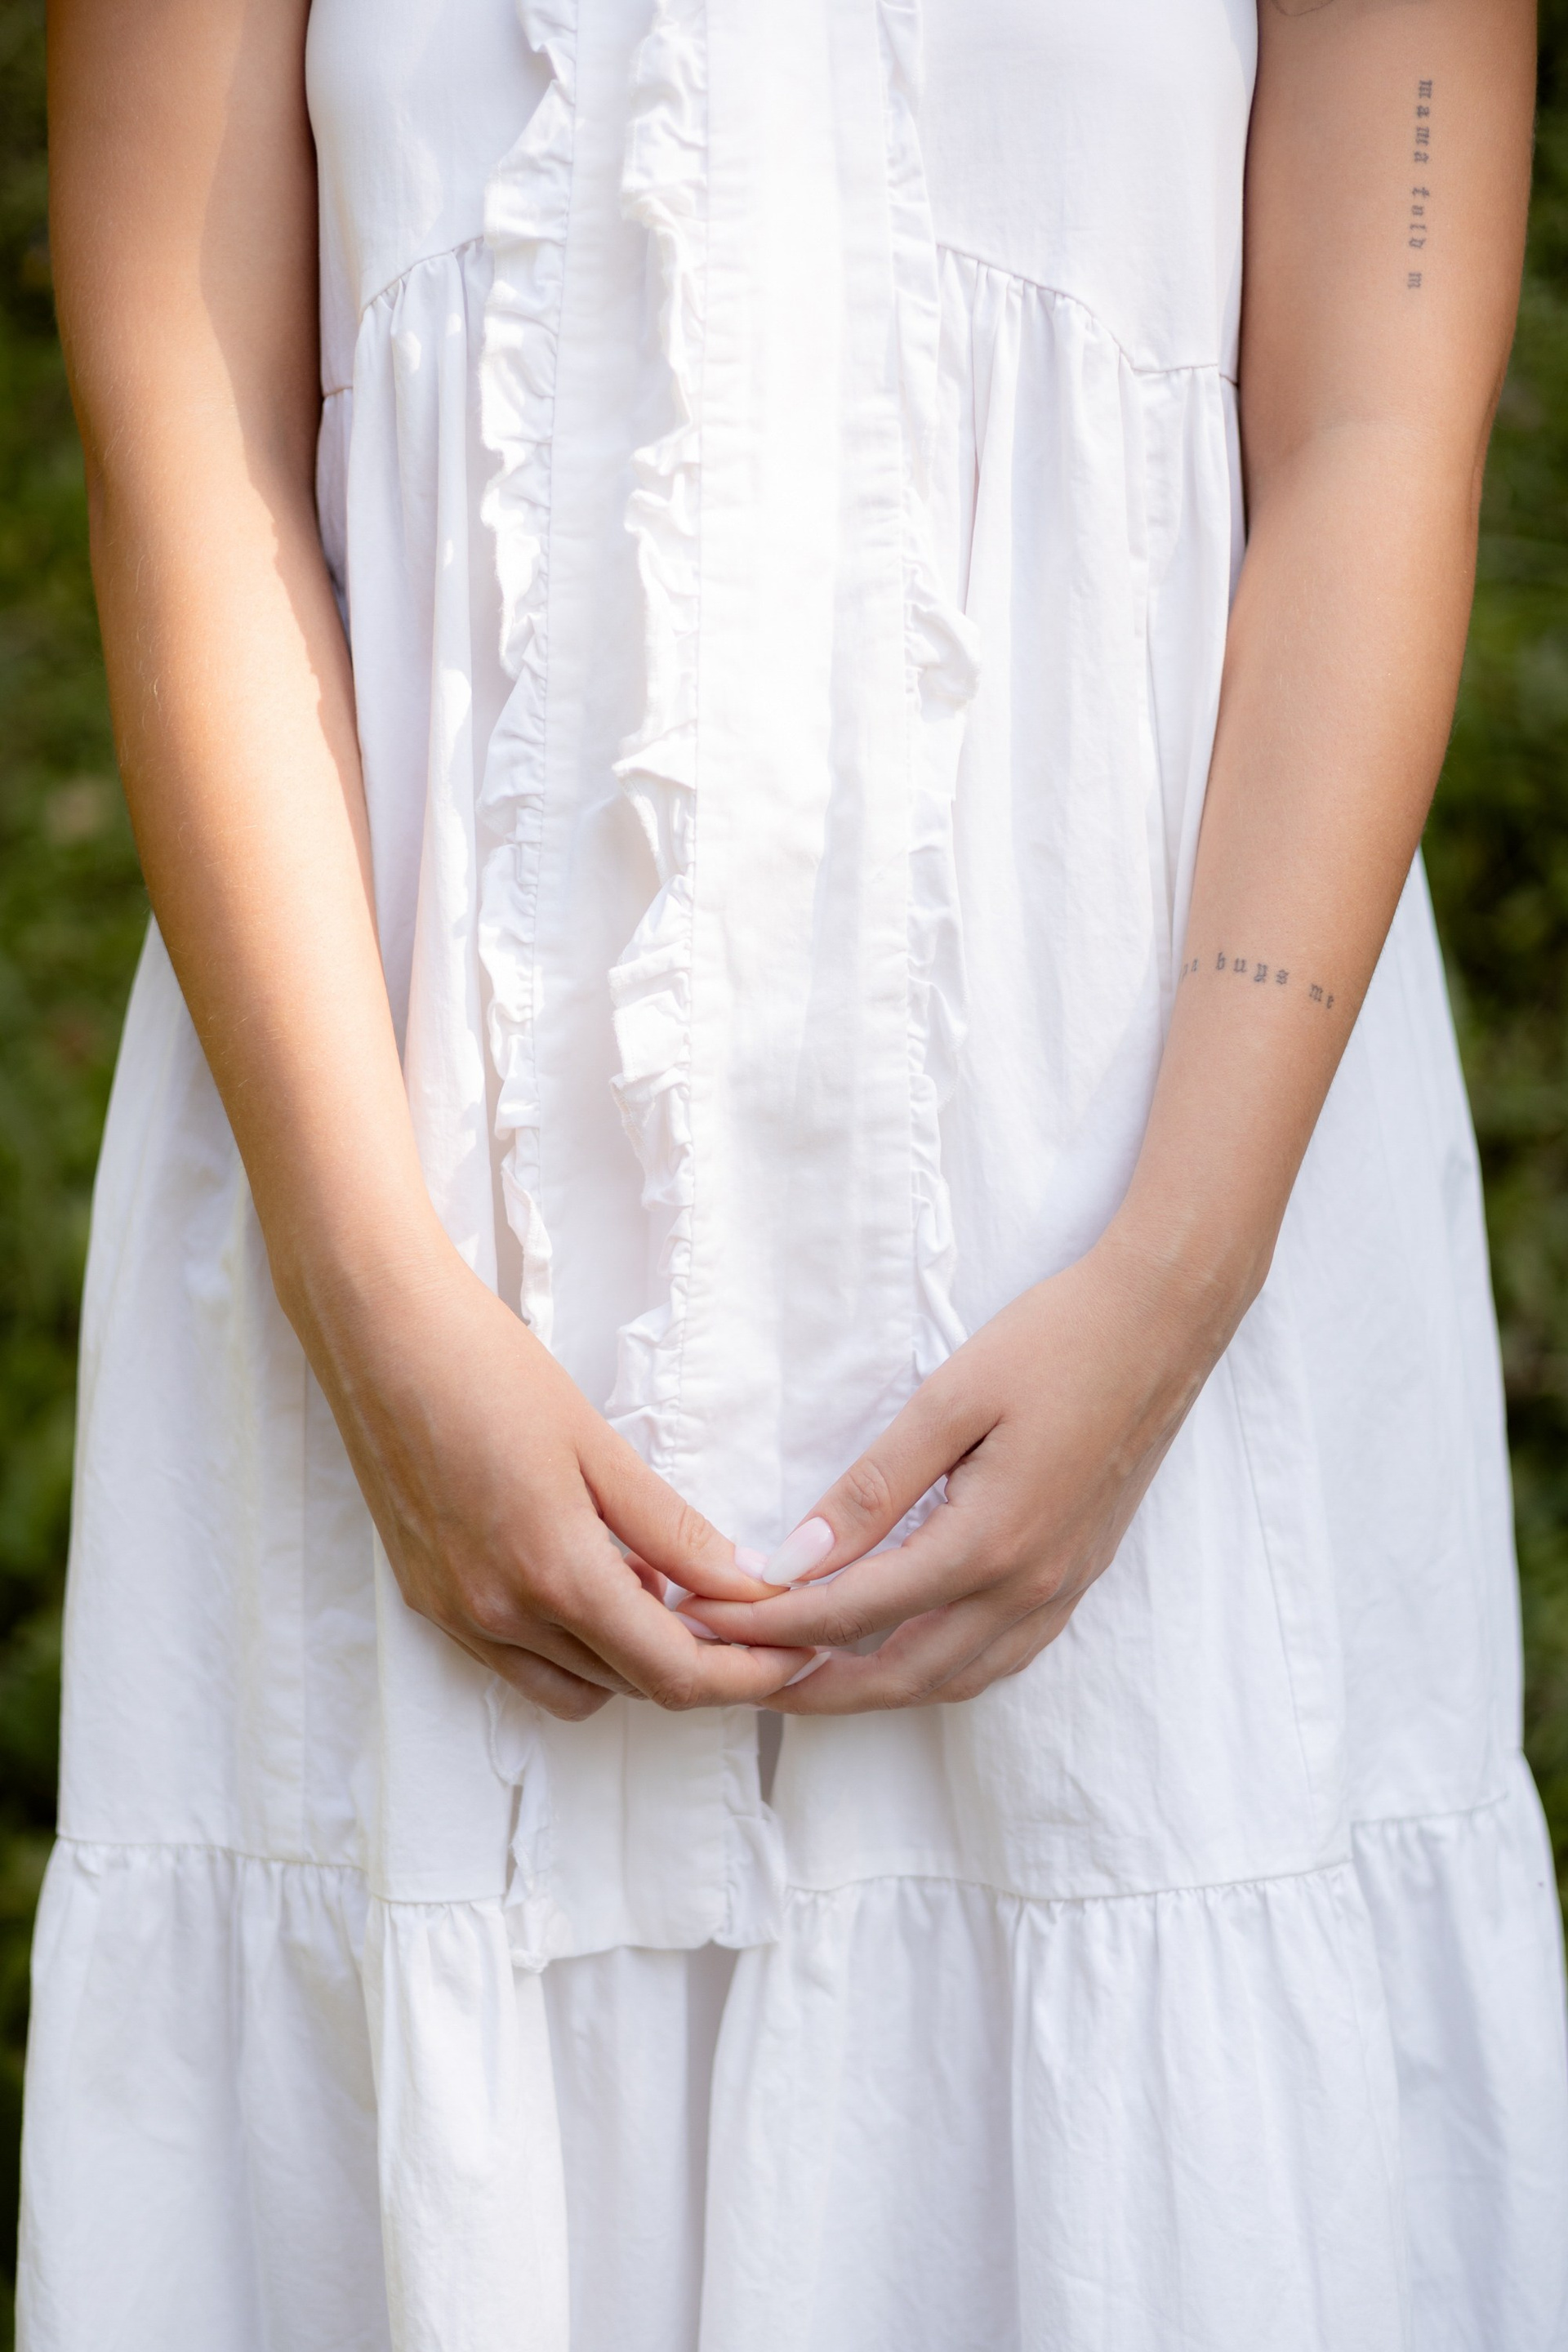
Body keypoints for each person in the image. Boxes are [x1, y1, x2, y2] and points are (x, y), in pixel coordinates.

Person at [20, 0, 1568, 2345]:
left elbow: (1379, 427)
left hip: (1157, 1252)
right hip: (406, 1270)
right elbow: (181, 406)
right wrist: (369, 1294)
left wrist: (1176, 1279)